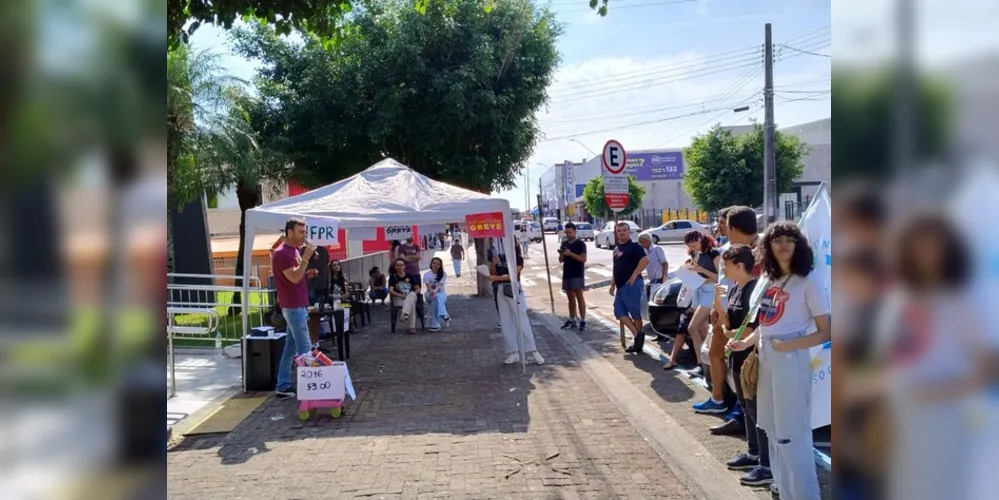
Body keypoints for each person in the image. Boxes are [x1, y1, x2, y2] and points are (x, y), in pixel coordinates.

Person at [728, 221, 830, 500]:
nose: (783, 245)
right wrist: (745, 343)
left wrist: (789, 345)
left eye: (789, 239)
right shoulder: (768, 280)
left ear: (799, 245)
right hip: (767, 361)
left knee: (792, 436)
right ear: (768, 246)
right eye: (777, 240)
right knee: (772, 432)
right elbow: (766, 322)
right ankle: (785, 493)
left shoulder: (809, 280)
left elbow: (826, 330)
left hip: (791, 362)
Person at [715, 245, 773, 487]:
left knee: (756, 409)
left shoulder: (755, 290)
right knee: (745, 405)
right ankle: (752, 453)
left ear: (740, 265)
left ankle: (767, 464)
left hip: (750, 359)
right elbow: (726, 323)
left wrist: (728, 333)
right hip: (736, 357)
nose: (723, 269)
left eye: (726, 264)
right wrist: (717, 301)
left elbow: (746, 331)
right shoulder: (737, 288)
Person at [700, 206, 760, 422]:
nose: (723, 229)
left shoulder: (759, 251)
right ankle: (729, 403)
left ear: (733, 228)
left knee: (745, 365)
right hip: (728, 313)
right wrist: (717, 307)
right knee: (722, 357)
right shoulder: (735, 248)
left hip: (746, 319)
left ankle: (740, 411)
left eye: (725, 226)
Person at [271, 218, 319, 398]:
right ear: (289, 232)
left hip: (297, 303)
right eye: (301, 232)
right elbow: (292, 278)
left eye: (305, 233)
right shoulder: (282, 253)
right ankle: (312, 389)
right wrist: (306, 257)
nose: (304, 236)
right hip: (293, 306)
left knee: (290, 347)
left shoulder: (293, 250)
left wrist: (307, 274)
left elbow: (296, 277)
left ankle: (282, 385)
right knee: (305, 347)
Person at [489, 238, 544, 365]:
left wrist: (494, 277)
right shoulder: (499, 256)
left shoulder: (517, 257)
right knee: (505, 321)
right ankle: (513, 352)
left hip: (514, 289)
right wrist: (493, 263)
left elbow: (513, 275)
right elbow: (492, 273)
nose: (504, 244)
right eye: (503, 242)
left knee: (521, 320)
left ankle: (533, 350)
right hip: (501, 290)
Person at [683, 230, 721, 407]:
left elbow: (721, 277)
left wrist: (700, 270)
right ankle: (706, 364)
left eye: (694, 242)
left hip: (710, 291)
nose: (691, 246)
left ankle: (701, 363)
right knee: (702, 329)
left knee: (693, 327)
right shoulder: (696, 254)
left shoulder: (714, 253)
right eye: (689, 244)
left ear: (701, 239)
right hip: (698, 290)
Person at [610, 222, 650, 354]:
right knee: (619, 311)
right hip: (620, 287)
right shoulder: (616, 249)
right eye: (619, 230)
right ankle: (638, 336)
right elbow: (616, 268)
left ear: (629, 232)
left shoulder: (635, 247)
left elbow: (645, 260)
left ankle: (638, 343)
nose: (621, 232)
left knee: (635, 312)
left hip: (632, 285)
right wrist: (612, 284)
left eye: (624, 230)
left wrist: (635, 275)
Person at [558, 222, 588, 331]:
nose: (568, 235)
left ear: (575, 231)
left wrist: (570, 254)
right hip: (567, 273)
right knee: (570, 298)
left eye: (570, 232)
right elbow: (560, 260)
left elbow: (583, 259)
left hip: (577, 273)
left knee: (579, 297)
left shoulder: (580, 244)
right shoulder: (565, 243)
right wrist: (562, 253)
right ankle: (572, 319)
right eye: (566, 233)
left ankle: (583, 320)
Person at [388, 258, 422, 335]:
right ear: (395, 267)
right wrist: (400, 295)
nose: (399, 267)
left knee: (412, 295)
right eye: (398, 265)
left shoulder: (409, 276)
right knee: (412, 304)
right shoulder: (393, 277)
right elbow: (390, 290)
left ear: (404, 266)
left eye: (401, 265)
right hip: (399, 298)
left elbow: (418, 289)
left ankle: (404, 313)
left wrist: (410, 295)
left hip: (410, 296)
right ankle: (411, 327)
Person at [423, 257, 451, 331]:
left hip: (441, 294)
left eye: (437, 264)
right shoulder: (426, 274)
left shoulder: (443, 274)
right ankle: (444, 315)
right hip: (429, 294)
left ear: (440, 266)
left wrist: (435, 291)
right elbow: (428, 286)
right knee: (435, 297)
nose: (435, 265)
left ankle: (436, 325)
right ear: (431, 263)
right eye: (434, 263)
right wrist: (431, 291)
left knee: (437, 297)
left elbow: (440, 285)